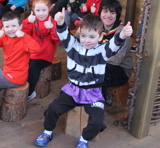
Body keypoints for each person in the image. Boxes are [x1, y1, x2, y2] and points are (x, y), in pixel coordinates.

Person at [34, 8, 133, 148]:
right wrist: (61, 22)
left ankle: (84, 138)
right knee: (53, 108)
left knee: (97, 121)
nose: (87, 40)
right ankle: (47, 131)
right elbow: (63, 34)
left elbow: (114, 44)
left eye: (92, 37)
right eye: (84, 36)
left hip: (93, 93)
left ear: (100, 37)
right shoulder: (72, 46)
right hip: (72, 90)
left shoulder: (102, 51)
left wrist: (122, 34)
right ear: (79, 33)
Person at [0, 11, 40, 93]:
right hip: (6, 70)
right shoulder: (5, 37)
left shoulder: (23, 40)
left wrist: (24, 35)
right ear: (3, 28)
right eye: (7, 26)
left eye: (14, 26)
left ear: (20, 26)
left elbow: (36, 49)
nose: (10, 29)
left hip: (16, 78)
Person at [22, 0, 60, 101]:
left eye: (44, 10)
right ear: (33, 10)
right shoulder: (32, 20)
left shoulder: (53, 22)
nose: (41, 13)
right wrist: (27, 22)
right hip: (32, 52)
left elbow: (58, 40)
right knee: (22, 63)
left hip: (45, 54)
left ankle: (30, 93)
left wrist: (53, 29)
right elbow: (24, 36)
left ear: (49, 9)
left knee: (34, 67)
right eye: (38, 10)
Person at [98, 0, 133, 102]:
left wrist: (94, 59)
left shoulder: (123, 32)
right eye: (105, 11)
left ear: (117, 15)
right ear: (100, 12)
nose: (108, 15)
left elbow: (116, 60)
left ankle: (97, 106)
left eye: (112, 12)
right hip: (102, 64)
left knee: (100, 73)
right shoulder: (99, 28)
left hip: (121, 70)